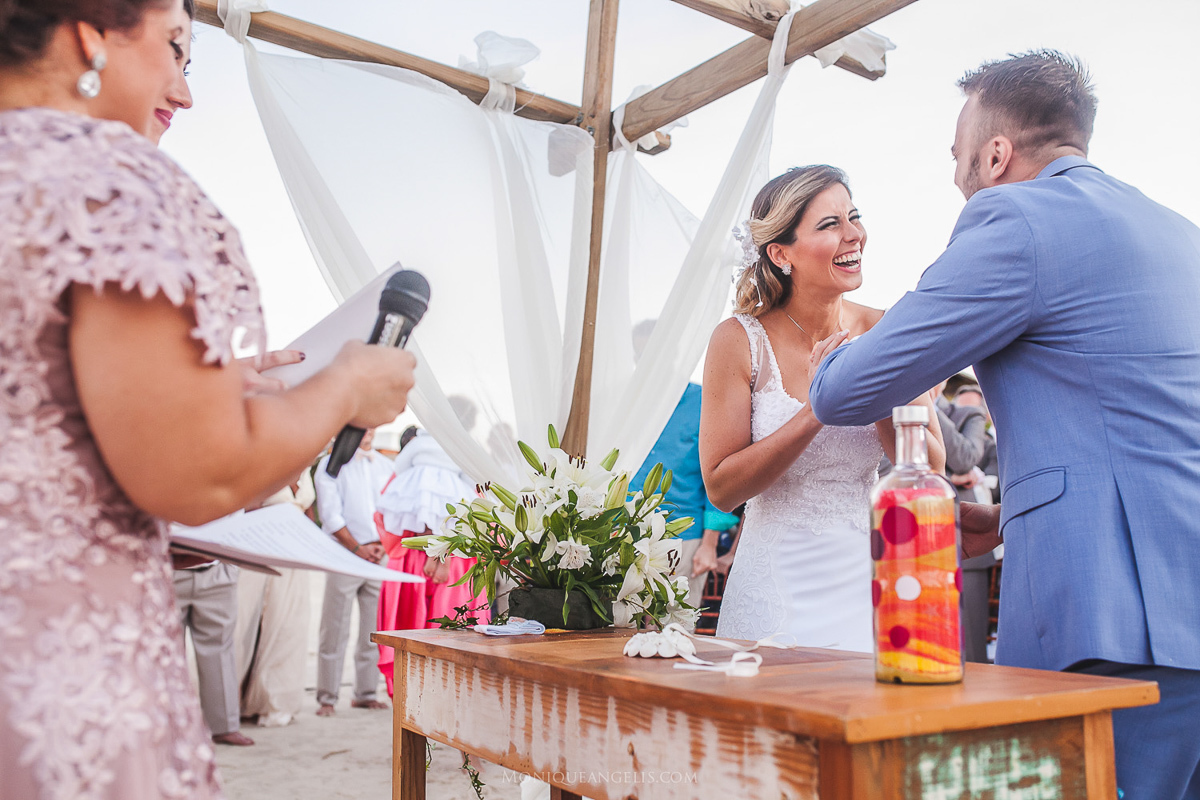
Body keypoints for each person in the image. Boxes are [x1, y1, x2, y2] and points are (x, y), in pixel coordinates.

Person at [0, 0, 416, 794]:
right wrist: (343, 386)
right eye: (174, 48)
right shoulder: (106, 179)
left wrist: (192, 386)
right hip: (52, 667)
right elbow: (198, 472)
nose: (184, 93)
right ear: (90, 33)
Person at [808, 51, 1200, 799]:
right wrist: (1015, 513)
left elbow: (851, 392)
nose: (958, 174)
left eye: (958, 156)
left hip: (1114, 624)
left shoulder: (1014, 217)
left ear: (994, 155)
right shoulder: (1179, 231)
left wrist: (830, 361)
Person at [699, 165, 945, 652]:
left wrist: (869, 378)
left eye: (854, 217)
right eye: (830, 224)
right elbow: (723, 490)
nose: (854, 234)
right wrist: (818, 408)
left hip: (867, 582)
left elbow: (931, 465)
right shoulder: (739, 340)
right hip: (772, 588)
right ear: (781, 253)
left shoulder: (886, 330)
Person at [375, 428, 486, 696]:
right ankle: (444, 694)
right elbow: (486, 529)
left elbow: (384, 520)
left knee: (414, 628)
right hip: (454, 561)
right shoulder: (469, 487)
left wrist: (428, 544)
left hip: (414, 560)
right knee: (447, 630)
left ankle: (412, 694)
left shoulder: (402, 480)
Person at [630, 319, 719, 617]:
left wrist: (709, 545)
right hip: (624, 534)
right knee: (620, 630)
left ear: (673, 353)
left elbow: (719, 476)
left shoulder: (704, 402)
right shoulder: (624, 406)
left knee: (677, 631)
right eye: (641, 355)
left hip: (684, 540)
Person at [313, 428, 394, 716]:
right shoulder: (331, 464)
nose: (368, 430)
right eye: (362, 424)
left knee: (374, 628)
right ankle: (327, 697)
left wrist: (382, 545)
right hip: (344, 553)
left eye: (372, 424)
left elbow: (392, 511)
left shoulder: (386, 465)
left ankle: (366, 692)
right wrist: (358, 548)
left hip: (379, 554)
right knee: (334, 627)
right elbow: (330, 513)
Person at [234, 468, 316, 728]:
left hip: (294, 556)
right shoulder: (268, 463)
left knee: (288, 625)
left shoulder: (307, 471)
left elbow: (309, 513)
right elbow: (246, 508)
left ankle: (274, 699)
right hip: (259, 550)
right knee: (242, 624)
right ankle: (229, 700)